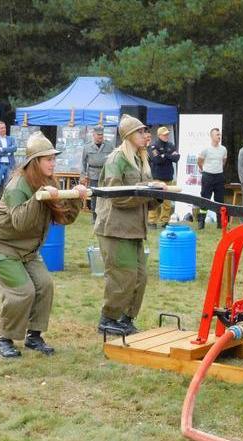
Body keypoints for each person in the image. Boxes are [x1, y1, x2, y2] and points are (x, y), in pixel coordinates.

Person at [0, 131, 86, 358]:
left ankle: (34, 337)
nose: (53, 163)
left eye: (53, 158)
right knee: (22, 291)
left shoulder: (48, 182)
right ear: (35, 162)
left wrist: (76, 198)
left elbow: (64, 218)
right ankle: (4, 339)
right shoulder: (18, 186)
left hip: (26, 250)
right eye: (48, 159)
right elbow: (20, 223)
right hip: (0, 247)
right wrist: (39, 197)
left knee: (45, 286)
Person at [95, 114, 156, 335]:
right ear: (128, 135)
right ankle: (108, 319)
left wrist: (156, 194)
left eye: (145, 131)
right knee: (122, 276)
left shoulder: (141, 159)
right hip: (114, 228)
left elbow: (144, 201)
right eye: (140, 132)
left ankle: (126, 318)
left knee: (139, 277)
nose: (145, 135)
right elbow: (117, 197)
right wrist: (146, 191)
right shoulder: (117, 159)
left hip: (134, 229)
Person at [80, 125, 114, 222]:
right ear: (93, 135)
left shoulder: (109, 145)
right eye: (98, 135)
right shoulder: (87, 147)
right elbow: (83, 162)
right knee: (94, 195)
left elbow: (113, 160)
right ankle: (95, 217)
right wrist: (83, 175)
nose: (100, 137)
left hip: (106, 174)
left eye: (102, 135)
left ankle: (105, 216)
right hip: (93, 174)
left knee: (106, 195)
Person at [148, 126, 180, 228]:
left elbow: (176, 158)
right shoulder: (154, 146)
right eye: (165, 134)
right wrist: (168, 156)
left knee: (167, 201)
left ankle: (164, 221)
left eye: (167, 134)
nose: (167, 136)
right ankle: (152, 221)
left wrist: (164, 155)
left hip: (168, 177)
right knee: (155, 200)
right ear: (159, 135)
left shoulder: (171, 145)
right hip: (157, 177)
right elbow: (156, 160)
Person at [196, 128, 227, 229]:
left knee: (220, 201)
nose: (219, 136)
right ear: (211, 136)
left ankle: (220, 223)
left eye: (219, 134)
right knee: (205, 199)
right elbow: (199, 162)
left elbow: (223, 161)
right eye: (217, 135)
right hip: (207, 176)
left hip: (219, 176)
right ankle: (201, 222)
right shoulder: (206, 149)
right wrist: (204, 169)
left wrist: (218, 169)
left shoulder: (223, 149)